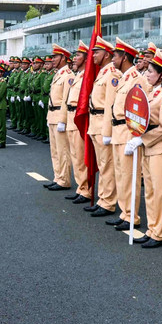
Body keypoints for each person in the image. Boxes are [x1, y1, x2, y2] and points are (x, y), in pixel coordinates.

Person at [126, 51, 162, 248]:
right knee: (149, 191)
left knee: (160, 192)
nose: (146, 74)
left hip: (161, 148)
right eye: (146, 71)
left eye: (150, 71)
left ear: (161, 74)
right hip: (150, 148)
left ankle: (160, 233)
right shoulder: (151, 93)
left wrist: (143, 139)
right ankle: (152, 229)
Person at [103, 38, 146, 231]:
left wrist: (137, 137)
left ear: (125, 57)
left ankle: (131, 216)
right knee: (120, 176)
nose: (112, 59)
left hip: (128, 132)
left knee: (129, 177)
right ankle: (124, 213)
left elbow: (141, 109)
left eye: (115, 56)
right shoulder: (124, 77)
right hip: (118, 131)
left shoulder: (137, 78)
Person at [85, 37, 119, 217]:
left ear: (106, 54)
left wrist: (107, 130)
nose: (93, 56)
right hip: (95, 123)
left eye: (96, 52)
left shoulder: (112, 74)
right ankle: (102, 199)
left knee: (107, 165)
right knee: (102, 164)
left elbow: (110, 105)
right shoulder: (102, 72)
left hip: (103, 124)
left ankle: (108, 202)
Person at [62, 42, 91, 203]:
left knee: (81, 156)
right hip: (71, 116)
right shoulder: (78, 75)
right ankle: (81, 187)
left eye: (78, 55)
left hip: (80, 117)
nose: (74, 58)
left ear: (85, 58)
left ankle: (86, 190)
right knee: (75, 156)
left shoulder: (87, 75)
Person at [43, 45, 73, 191]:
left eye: (55, 57)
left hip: (60, 116)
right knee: (54, 150)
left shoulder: (68, 75)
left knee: (62, 151)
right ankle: (58, 177)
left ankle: (64, 179)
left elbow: (66, 100)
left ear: (64, 58)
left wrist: (62, 120)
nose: (52, 59)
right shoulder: (58, 74)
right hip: (52, 115)